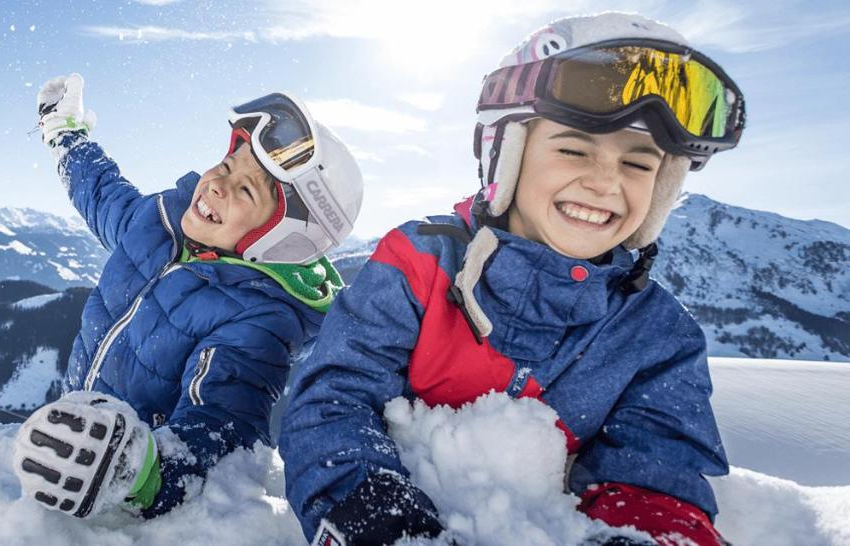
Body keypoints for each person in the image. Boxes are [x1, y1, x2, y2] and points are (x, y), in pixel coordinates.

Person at [280, 12, 746, 546]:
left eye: (639, 165)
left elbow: (660, 466)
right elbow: (333, 398)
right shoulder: (419, 265)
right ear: (509, 154)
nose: (604, 182)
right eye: (573, 148)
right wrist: (373, 514)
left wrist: (649, 534)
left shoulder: (657, 334)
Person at [12, 74, 365, 520]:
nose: (218, 182)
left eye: (246, 190)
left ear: (281, 239)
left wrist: (137, 470)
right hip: (76, 433)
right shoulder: (157, 224)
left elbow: (220, 426)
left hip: (116, 477)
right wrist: (63, 133)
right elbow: (98, 190)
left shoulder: (259, 319)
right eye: (228, 165)